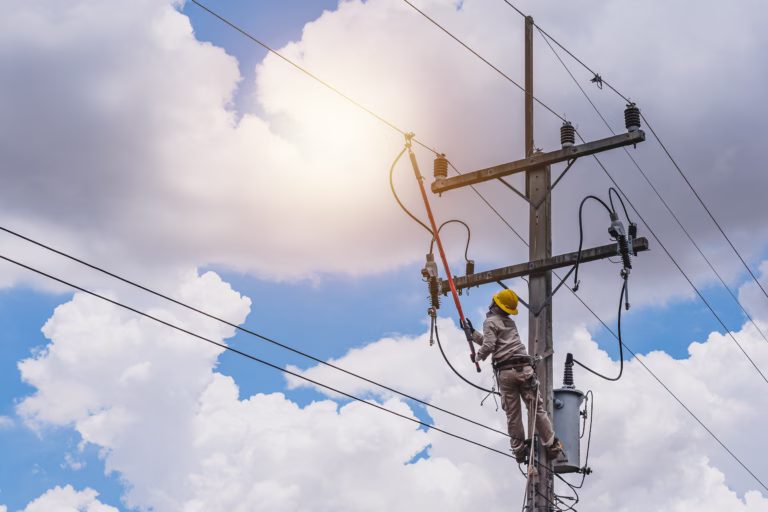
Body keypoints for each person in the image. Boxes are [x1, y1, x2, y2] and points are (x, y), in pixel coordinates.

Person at [471, 288, 563, 464]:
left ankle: (519, 450)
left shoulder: (489, 321)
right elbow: (495, 343)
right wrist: (474, 334)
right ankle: (552, 445)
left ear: (495, 304)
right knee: (537, 409)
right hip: (525, 371)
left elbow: (489, 346)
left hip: (507, 373)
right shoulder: (509, 323)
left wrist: (477, 357)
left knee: (513, 415)